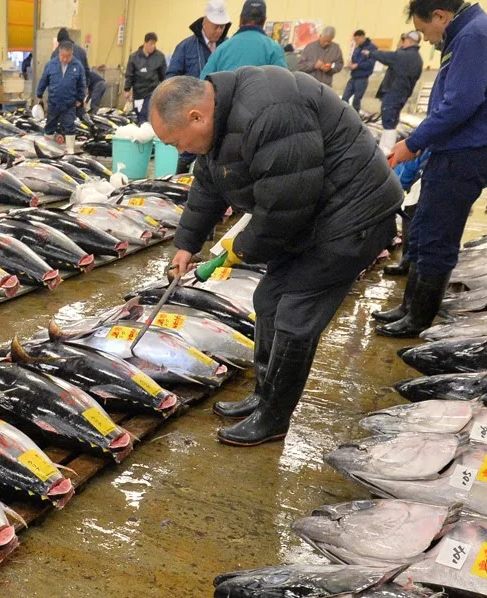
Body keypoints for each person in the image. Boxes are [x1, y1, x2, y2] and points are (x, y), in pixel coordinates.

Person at [152, 71, 402, 446]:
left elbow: (286, 204)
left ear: (195, 116)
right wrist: (187, 244)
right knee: (266, 300)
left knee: (295, 316)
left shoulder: (268, 111)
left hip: (354, 214)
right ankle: (263, 395)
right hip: (316, 213)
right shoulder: (219, 123)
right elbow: (208, 184)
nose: (179, 151)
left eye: (176, 142)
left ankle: (274, 417)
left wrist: (241, 248)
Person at [374, 0, 487, 338]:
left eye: (424, 31)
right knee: (422, 228)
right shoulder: (469, 31)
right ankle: (409, 307)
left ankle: (419, 318)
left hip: (463, 155)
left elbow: (460, 103)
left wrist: (413, 143)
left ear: (440, 16)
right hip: (451, 150)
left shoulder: (474, 35)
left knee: (438, 237)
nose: (425, 39)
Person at [368, 31, 423, 153]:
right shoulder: (418, 59)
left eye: (404, 40)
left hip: (393, 92)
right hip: (403, 94)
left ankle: (386, 151)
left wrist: (371, 53)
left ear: (409, 41)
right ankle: (386, 149)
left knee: (388, 121)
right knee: (392, 120)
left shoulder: (402, 55)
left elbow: (386, 56)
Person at [199, 0, 286, 76]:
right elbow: (282, 85)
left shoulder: (221, 49)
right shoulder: (275, 50)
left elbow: (204, 83)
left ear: (240, 19)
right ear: (264, 21)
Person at [35, 41, 86, 153]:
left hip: (69, 103)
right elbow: (44, 80)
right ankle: (47, 150)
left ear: (71, 54)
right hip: (54, 102)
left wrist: (80, 99)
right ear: (59, 53)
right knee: (50, 125)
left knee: (69, 126)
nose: (65, 59)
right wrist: (39, 94)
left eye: (68, 56)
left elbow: (82, 84)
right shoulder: (50, 65)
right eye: (63, 56)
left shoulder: (78, 66)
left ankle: (70, 151)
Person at [167, 0, 231, 78]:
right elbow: (171, 77)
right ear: (204, 23)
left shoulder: (228, 46)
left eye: (222, 26)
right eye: (216, 26)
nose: (219, 31)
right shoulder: (185, 47)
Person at [124, 32, 166, 124]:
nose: (153, 46)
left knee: (145, 116)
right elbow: (129, 74)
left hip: (152, 92)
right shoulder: (134, 57)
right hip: (138, 93)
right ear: (145, 43)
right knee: (137, 116)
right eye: (151, 44)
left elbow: (163, 75)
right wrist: (127, 89)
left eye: (154, 44)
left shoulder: (159, 57)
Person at [341, 29, 377, 111]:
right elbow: (354, 58)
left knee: (356, 100)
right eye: (354, 40)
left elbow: (370, 63)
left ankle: (355, 118)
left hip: (362, 78)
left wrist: (358, 65)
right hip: (353, 76)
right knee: (344, 98)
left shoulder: (371, 48)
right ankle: (345, 115)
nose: (356, 42)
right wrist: (350, 63)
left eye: (357, 40)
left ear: (362, 37)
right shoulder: (357, 48)